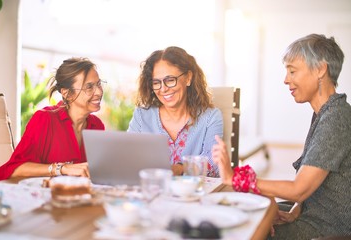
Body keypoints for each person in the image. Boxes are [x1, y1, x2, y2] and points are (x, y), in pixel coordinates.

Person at [212, 34, 351, 239]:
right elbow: (313, 181)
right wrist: (296, 208)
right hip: (311, 214)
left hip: (325, 227)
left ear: (321, 69)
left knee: (239, 229)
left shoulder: (336, 118)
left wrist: (235, 178)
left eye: (292, 71)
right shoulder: (327, 112)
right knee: (243, 211)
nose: (286, 80)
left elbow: (299, 189)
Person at [0, 57, 105, 181]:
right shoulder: (44, 119)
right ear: (67, 93)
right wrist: (61, 169)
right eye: (89, 87)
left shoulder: (97, 126)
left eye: (99, 84)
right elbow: (14, 169)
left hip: (76, 198)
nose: (98, 92)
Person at [127, 46, 223, 177]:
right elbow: (128, 156)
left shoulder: (210, 117)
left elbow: (214, 164)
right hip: (153, 191)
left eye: (170, 80)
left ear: (188, 78)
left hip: (192, 194)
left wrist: (179, 169)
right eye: (156, 83)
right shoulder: (141, 116)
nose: (163, 89)